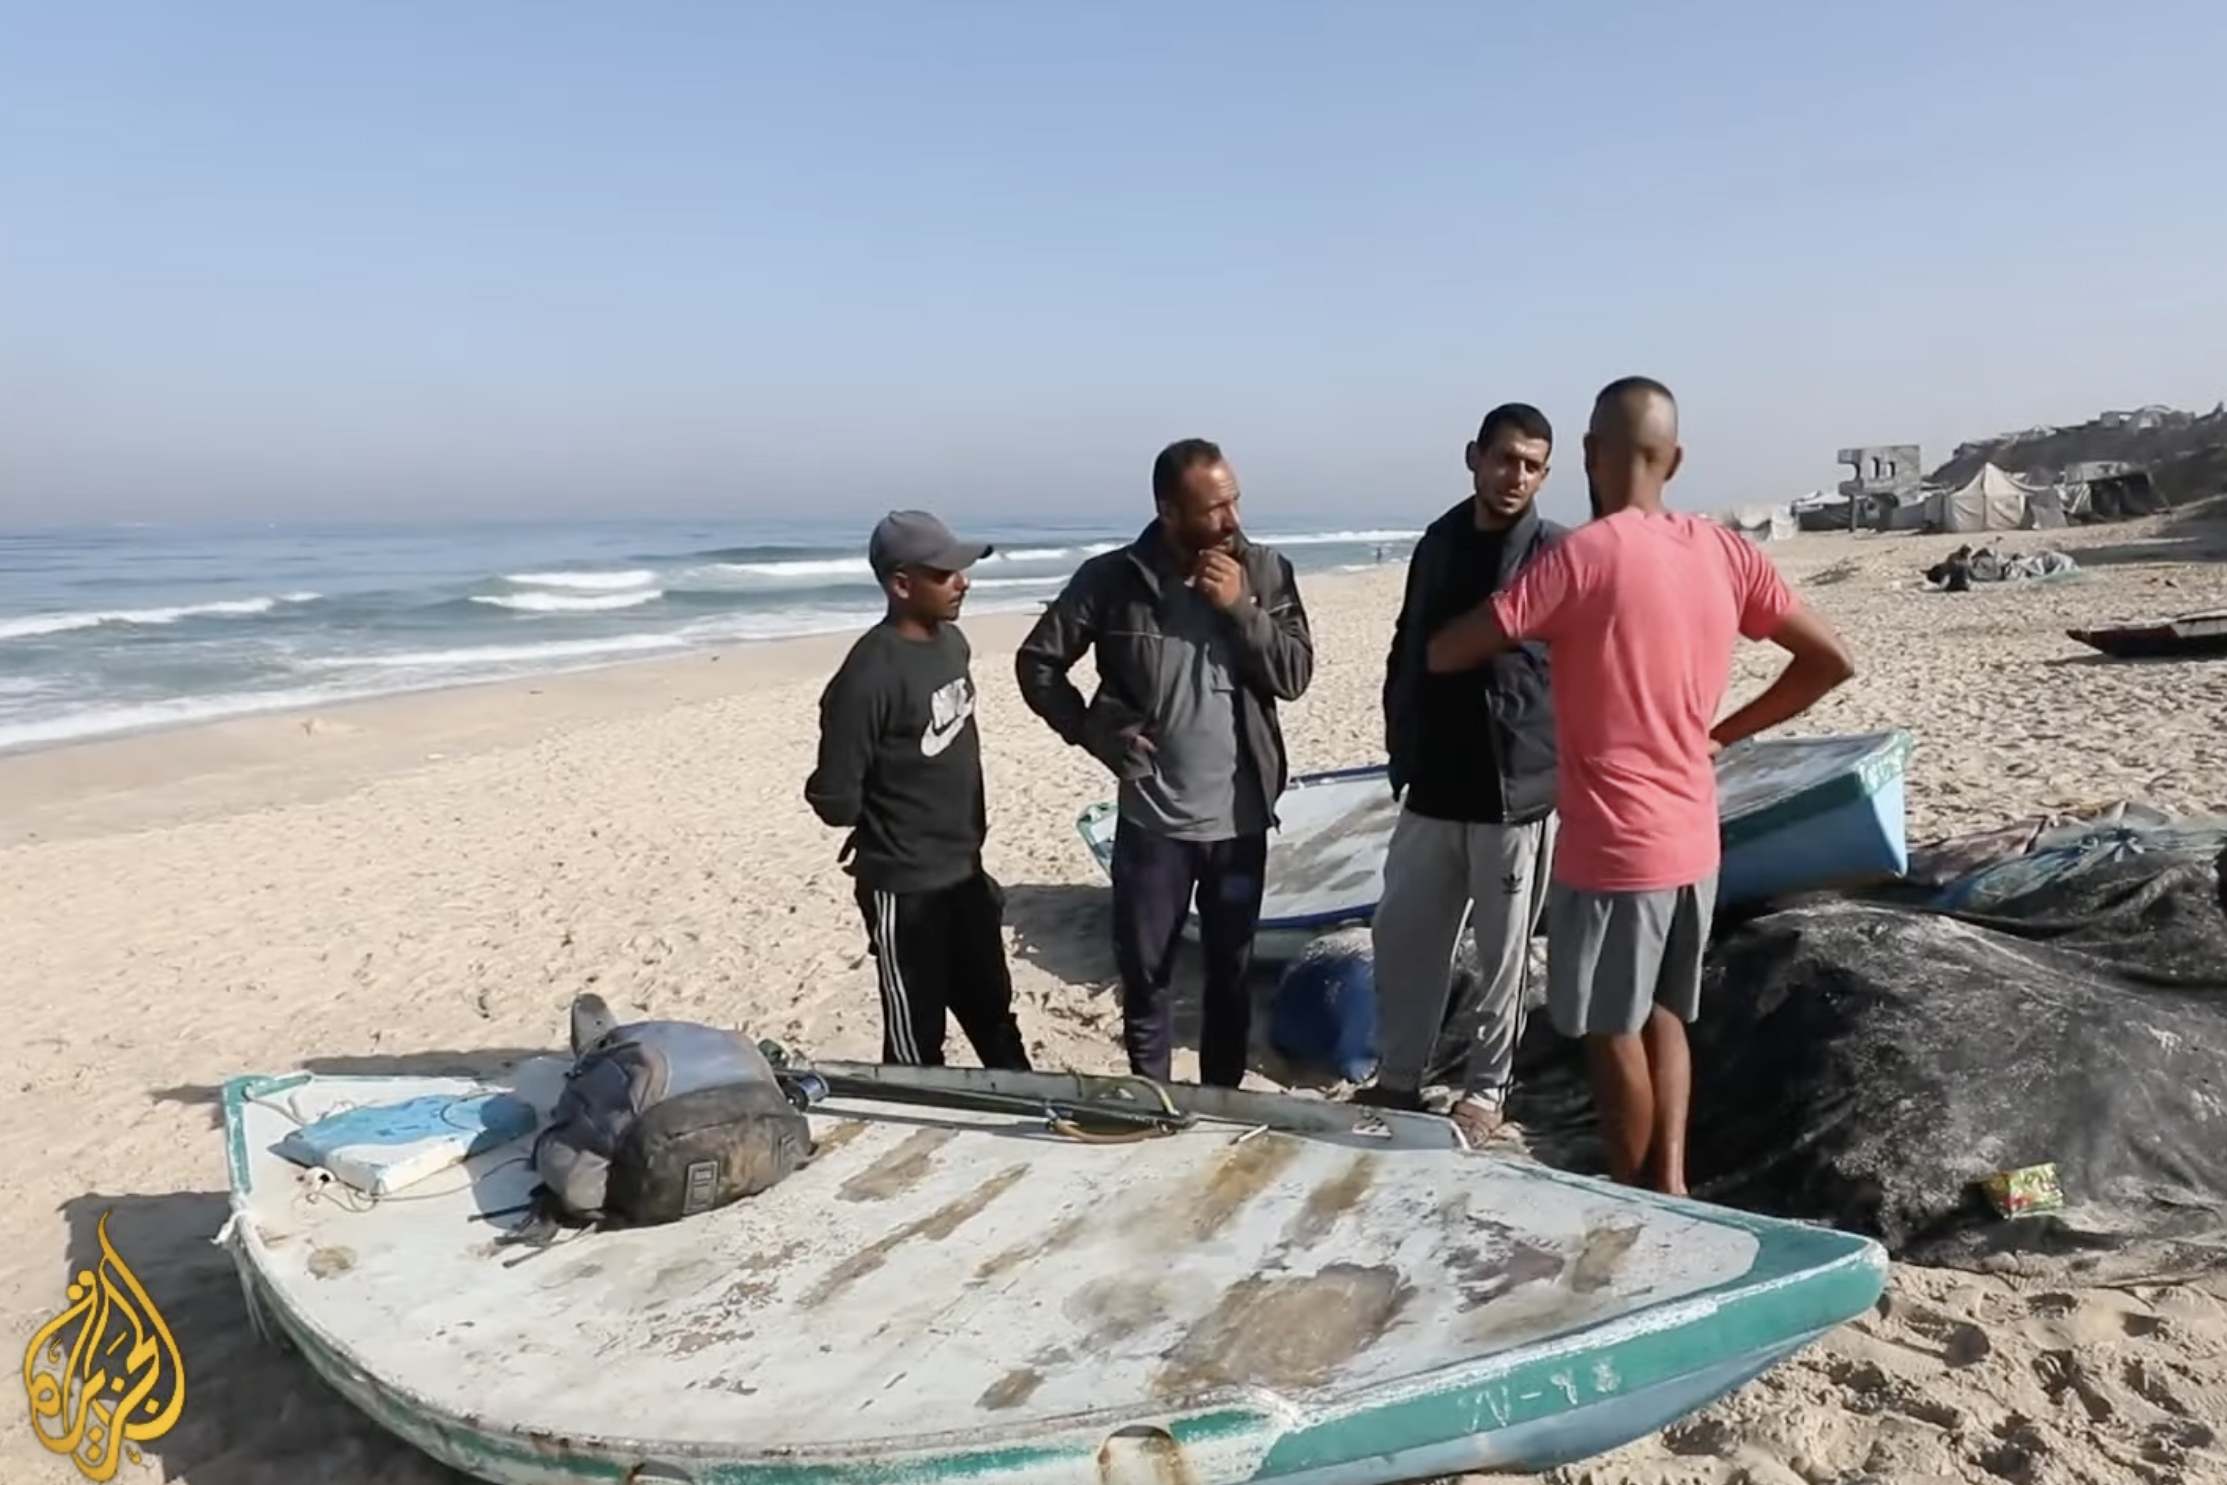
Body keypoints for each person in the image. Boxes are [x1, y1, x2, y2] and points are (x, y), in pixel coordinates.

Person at [1425, 377, 1855, 1194]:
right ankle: (1673, 1183)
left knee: (1608, 1029)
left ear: (1587, 456)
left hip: (1613, 846)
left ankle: (1635, 1198)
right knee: (1665, 1015)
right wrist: (1722, 730)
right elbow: (1828, 658)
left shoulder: (1582, 555)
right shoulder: (1724, 551)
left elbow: (1452, 651)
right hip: (1694, 835)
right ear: (1677, 457)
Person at [1015, 438, 1314, 1086]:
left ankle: (1221, 1101)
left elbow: (1294, 676)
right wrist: (1091, 732)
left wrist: (1241, 608)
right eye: (1214, 508)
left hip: (1239, 824)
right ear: (1168, 510)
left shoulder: (1264, 573)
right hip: (1152, 826)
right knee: (1146, 981)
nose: (1232, 519)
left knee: (1229, 981)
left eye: (1234, 500)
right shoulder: (1112, 579)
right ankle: (1154, 1099)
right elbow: (1037, 662)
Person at [1366, 401, 1564, 1146]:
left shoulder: (1556, 553)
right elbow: (1405, 645)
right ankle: (1397, 1076)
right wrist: (1398, 746)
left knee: (1501, 957)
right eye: (1505, 457)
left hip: (1513, 794)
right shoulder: (1437, 544)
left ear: (1545, 473)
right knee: (1403, 938)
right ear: (1473, 456)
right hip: (1431, 785)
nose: (1515, 475)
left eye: (1531, 464)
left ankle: (1484, 1091)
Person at [804, 509, 1032, 1071]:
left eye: (961, 569)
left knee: (993, 1016)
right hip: (905, 891)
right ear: (901, 584)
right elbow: (836, 800)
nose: (963, 582)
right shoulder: (867, 678)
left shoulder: (953, 644)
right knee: (915, 1043)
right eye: (945, 573)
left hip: (966, 875)